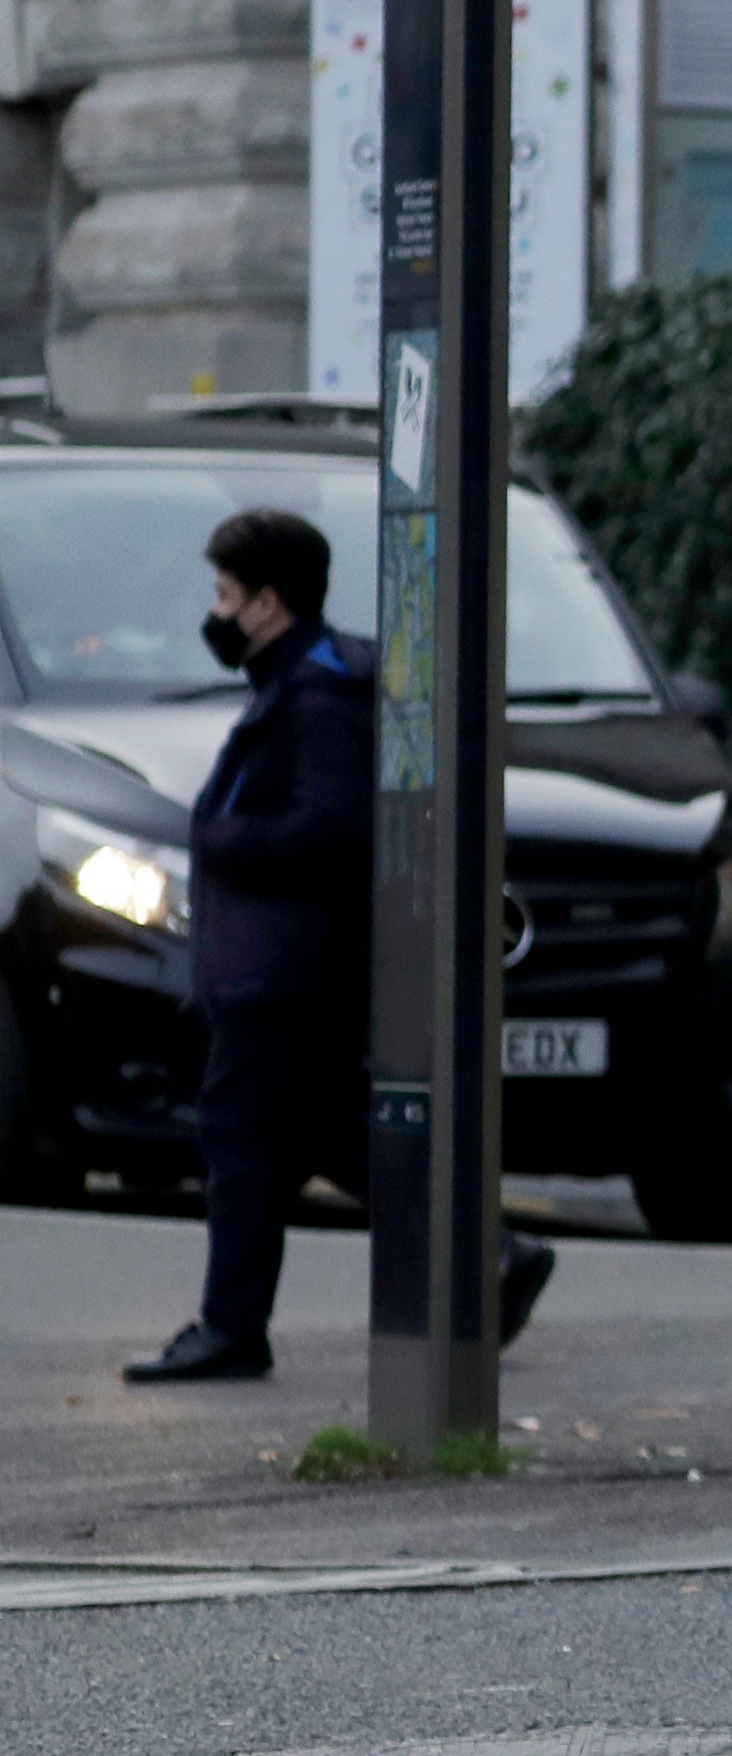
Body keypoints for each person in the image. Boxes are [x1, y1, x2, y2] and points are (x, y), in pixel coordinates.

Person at [124, 509, 548, 1385]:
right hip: (293, 968)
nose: (217, 613)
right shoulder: (309, 679)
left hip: (281, 974)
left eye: (226, 595)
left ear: (269, 603)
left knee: (242, 1143)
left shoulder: (315, 697)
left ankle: (232, 1328)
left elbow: (336, 824)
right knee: (336, 1139)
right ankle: (492, 1248)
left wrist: (227, 838)